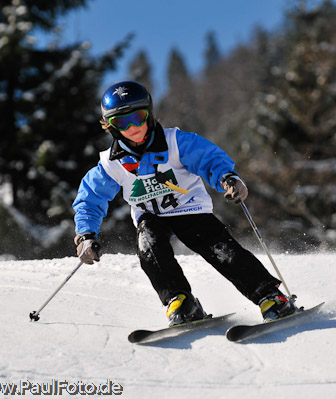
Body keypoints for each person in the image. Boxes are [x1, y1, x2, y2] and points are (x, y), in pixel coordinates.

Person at [72, 81, 296, 326]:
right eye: (123, 122)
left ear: (149, 113)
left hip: (189, 207)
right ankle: (180, 301)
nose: (134, 127)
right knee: (149, 248)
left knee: (219, 248)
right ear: (111, 126)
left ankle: (269, 295)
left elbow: (208, 159)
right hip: (150, 215)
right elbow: (90, 198)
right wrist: (85, 234)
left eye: (139, 117)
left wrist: (227, 178)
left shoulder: (176, 142)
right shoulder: (111, 164)